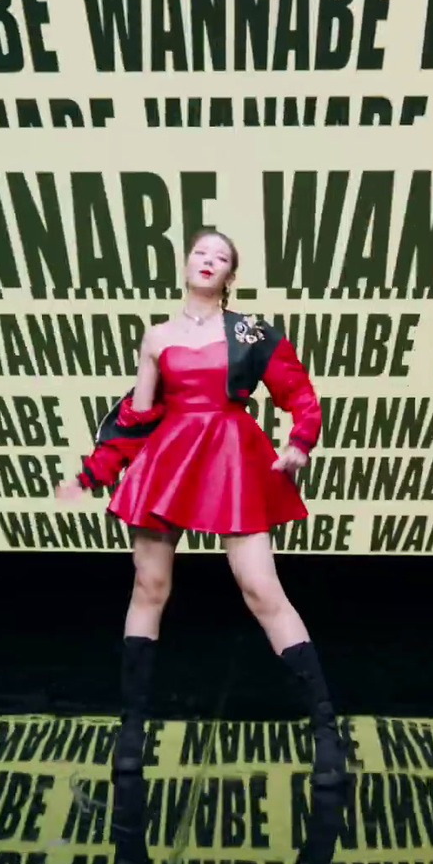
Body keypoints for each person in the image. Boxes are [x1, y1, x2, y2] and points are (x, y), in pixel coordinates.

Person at [55, 230, 343, 785]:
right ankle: (131, 730)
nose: (208, 262)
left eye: (221, 258)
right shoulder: (157, 336)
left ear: (230, 275)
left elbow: (300, 395)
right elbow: (137, 417)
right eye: (200, 253)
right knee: (149, 589)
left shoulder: (251, 332)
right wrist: (93, 473)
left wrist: (299, 443)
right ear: (186, 263)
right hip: (168, 461)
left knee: (262, 589)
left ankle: (326, 731)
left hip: (233, 459)